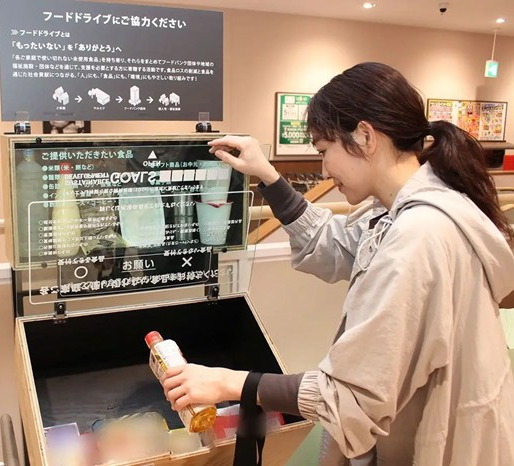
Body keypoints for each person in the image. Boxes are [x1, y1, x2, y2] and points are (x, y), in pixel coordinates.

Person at [161, 62, 514, 466]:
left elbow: (348, 397)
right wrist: (268, 176)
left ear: (365, 136)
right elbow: (336, 244)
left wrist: (228, 382)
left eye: (324, 150)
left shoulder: (418, 235)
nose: (325, 170)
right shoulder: (411, 208)